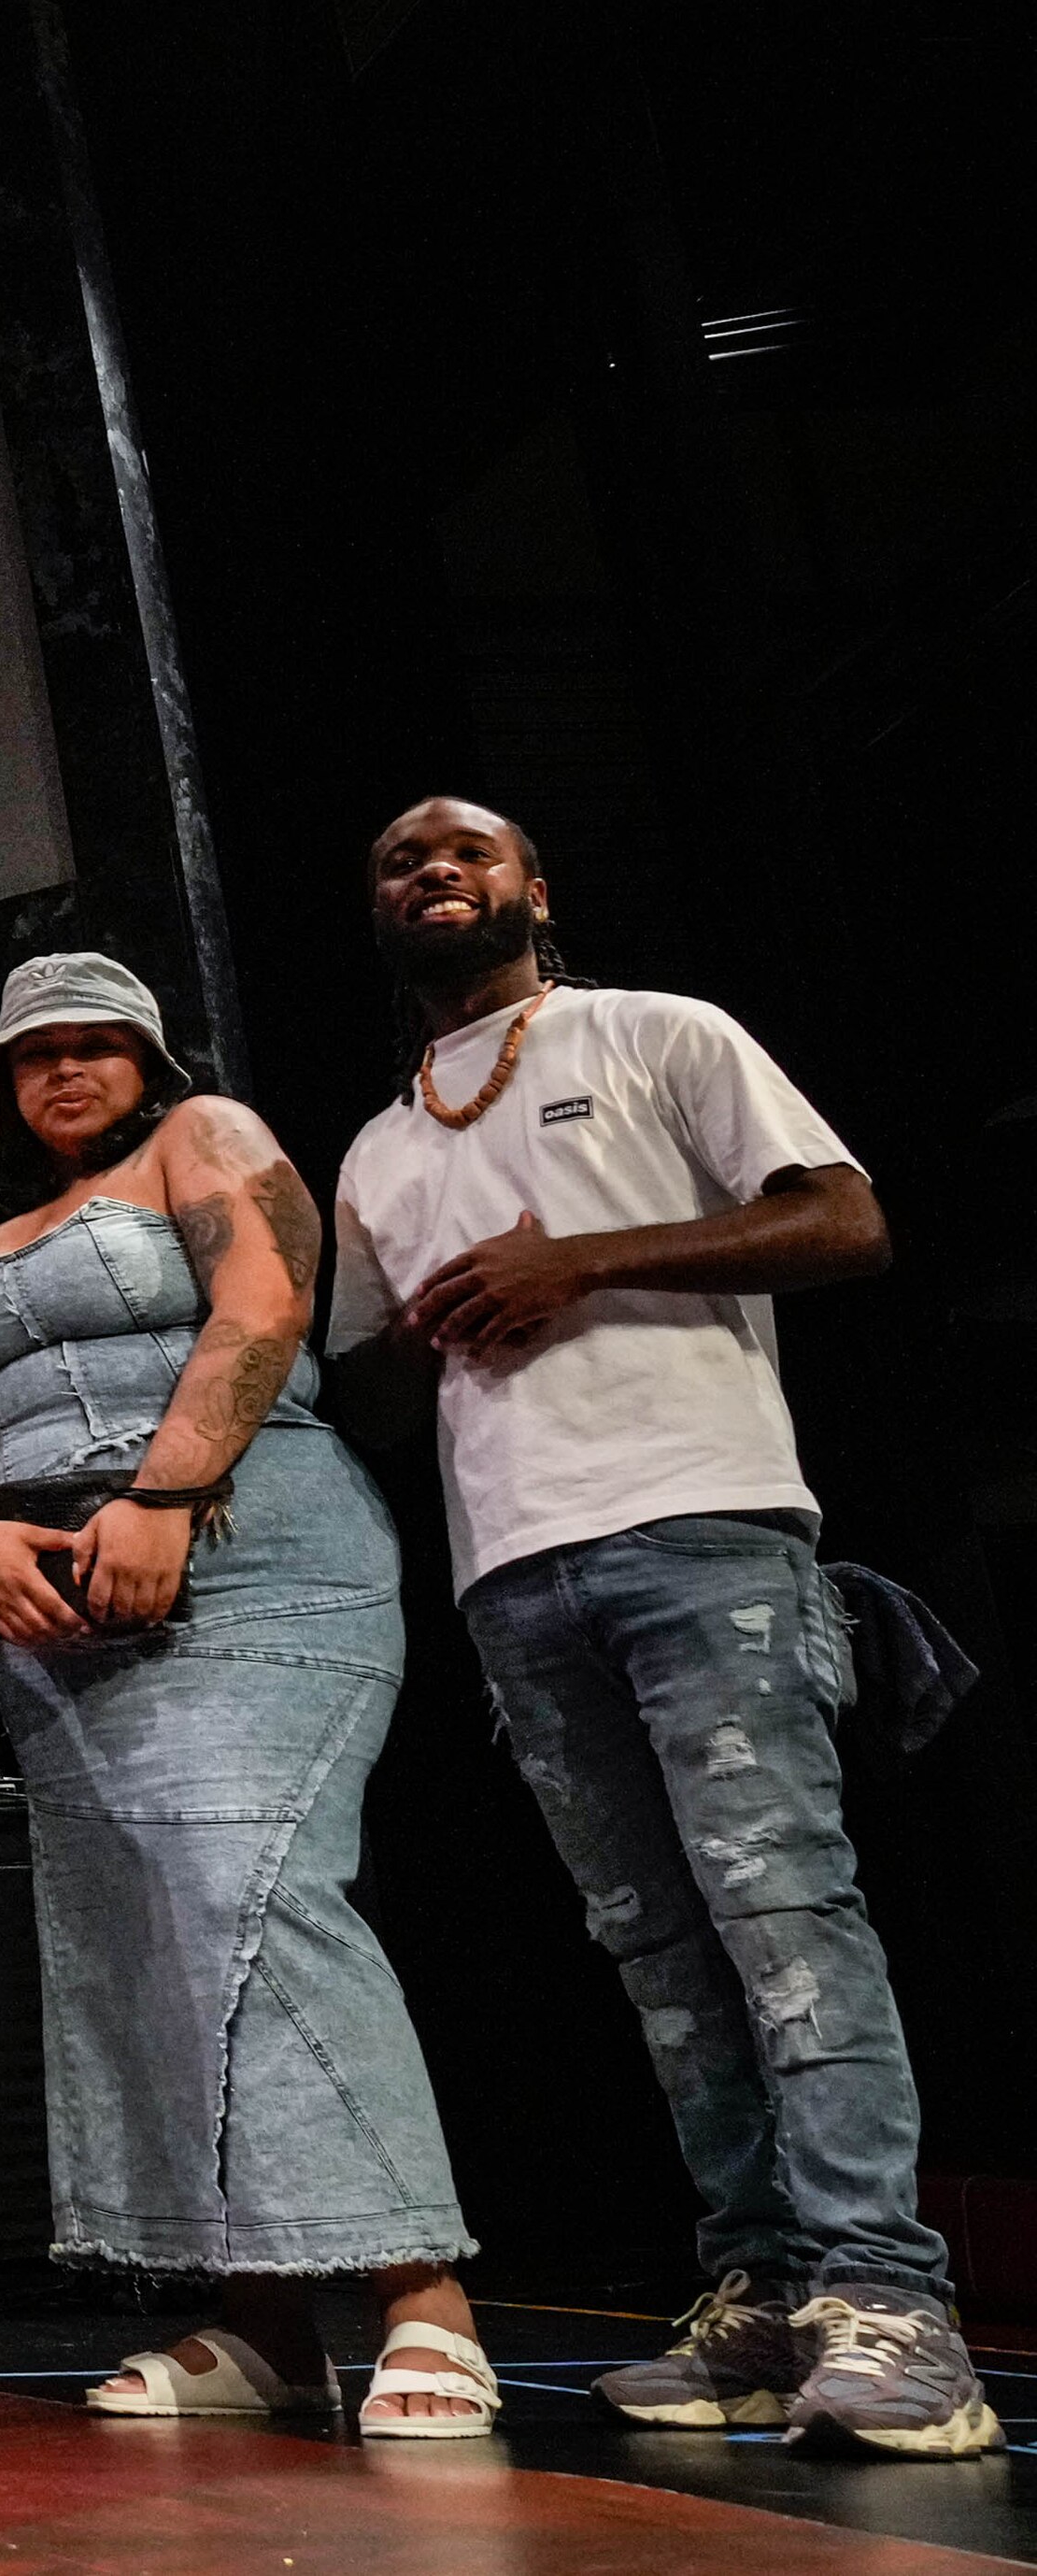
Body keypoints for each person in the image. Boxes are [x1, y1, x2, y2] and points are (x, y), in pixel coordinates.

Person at [328, 800, 996, 2458]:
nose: (433, 869)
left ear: (536, 888)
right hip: (513, 1570)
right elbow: (369, 1390)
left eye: (467, 850)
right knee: (666, 1958)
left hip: (702, 1524)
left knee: (785, 1915)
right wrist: (412, 1340)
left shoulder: (657, 1033)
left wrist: (589, 1261)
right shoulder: (378, 1148)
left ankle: (895, 2304)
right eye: (401, 859)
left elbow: (847, 1217)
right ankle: (761, 2295)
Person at [0, 950, 492, 2436]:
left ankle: (422, 2293)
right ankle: (266, 2321)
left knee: (249, 1886)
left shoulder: (203, 1135)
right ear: (2, 1080)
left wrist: (165, 1490)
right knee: (136, 1936)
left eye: (102, 1045)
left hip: (248, 1554)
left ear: (149, 1059)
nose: (70, 1070)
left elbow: (265, 1297)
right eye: (38, 1052)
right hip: (50, 1611)